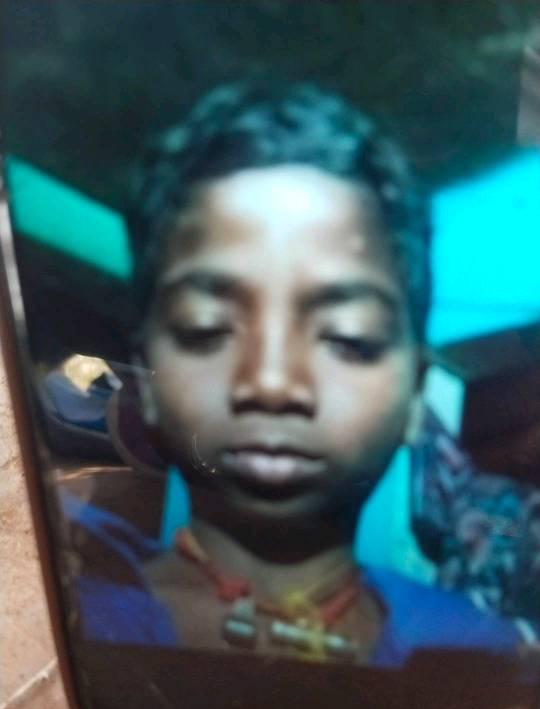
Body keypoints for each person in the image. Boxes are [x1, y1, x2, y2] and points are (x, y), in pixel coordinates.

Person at [65, 81, 523, 666]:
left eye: (348, 337)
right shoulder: (65, 608)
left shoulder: (482, 660)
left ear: (415, 396)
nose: (272, 383)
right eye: (206, 329)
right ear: (148, 381)